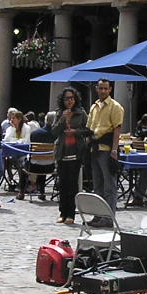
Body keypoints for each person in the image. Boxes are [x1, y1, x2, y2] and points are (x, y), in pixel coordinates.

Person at [86, 77, 124, 217]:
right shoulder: (94, 106)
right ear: (96, 88)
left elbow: (117, 129)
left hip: (107, 150)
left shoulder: (115, 107)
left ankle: (108, 218)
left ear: (110, 90)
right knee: (97, 186)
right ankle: (98, 216)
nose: (102, 91)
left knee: (109, 186)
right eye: (100, 88)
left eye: (105, 88)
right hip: (95, 149)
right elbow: (90, 128)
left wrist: (114, 149)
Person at [51, 87, 88, 225]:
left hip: (76, 152)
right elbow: (54, 132)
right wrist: (62, 120)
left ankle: (71, 214)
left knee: (72, 185)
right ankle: (62, 212)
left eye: (71, 98)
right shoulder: (59, 113)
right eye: (67, 98)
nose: (69, 101)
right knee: (63, 184)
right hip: (62, 151)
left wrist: (75, 131)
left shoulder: (81, 113)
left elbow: (88, 130)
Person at [3, 106, 36, 200]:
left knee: (22, 164)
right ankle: (11, 180)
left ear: (19, 119)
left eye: (14, 118)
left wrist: (16, 140)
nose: (12, 120)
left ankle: (21, 187)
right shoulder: (10, 128)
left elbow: (25, 141)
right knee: (8, 160)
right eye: (11, 118)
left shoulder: (27, 128)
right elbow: (6, 139)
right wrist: (13, 129)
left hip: (23, 153)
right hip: (12, 153)